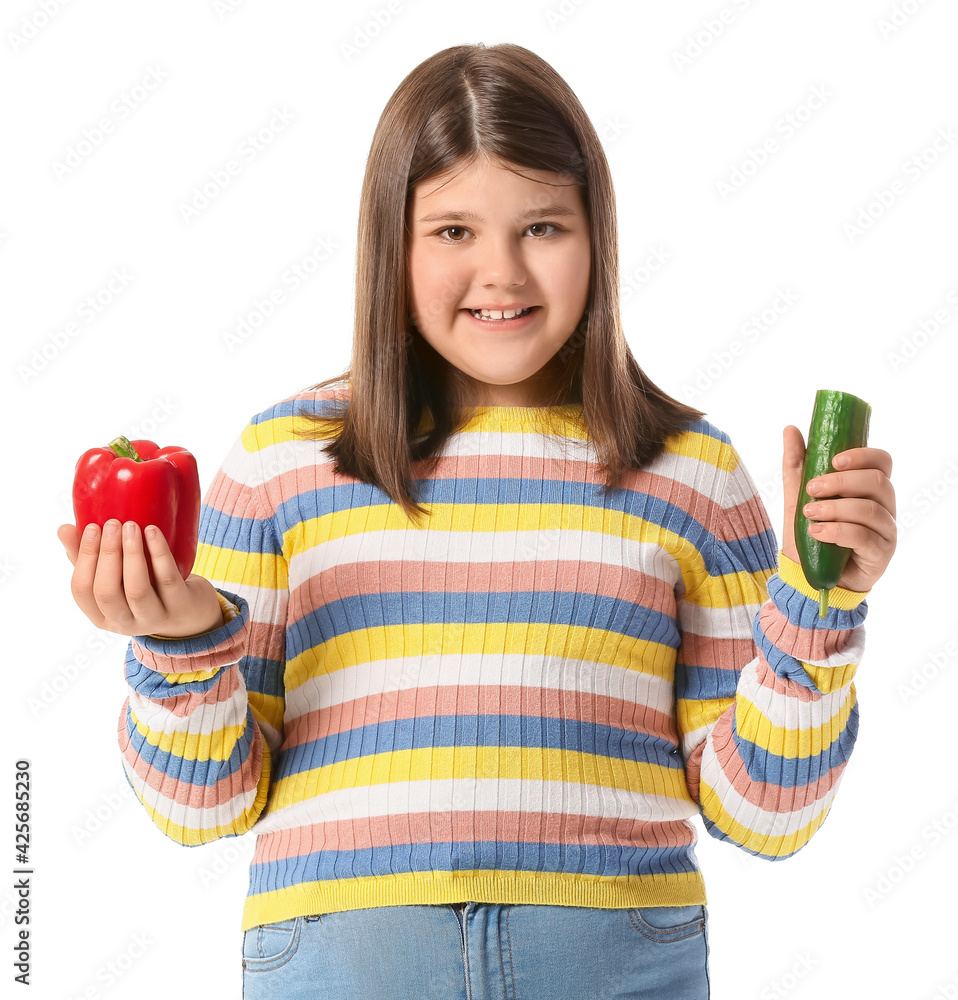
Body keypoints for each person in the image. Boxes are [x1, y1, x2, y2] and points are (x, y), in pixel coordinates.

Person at [58, 42, 897, 1000]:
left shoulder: (693, 473)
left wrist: (817, 609)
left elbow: (766, 817)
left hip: (613, 960)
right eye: (453, 231)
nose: (501, 272)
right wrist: (178, 647)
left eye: (542, 225)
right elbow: (203, 809)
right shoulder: (282, 461)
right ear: (392, 244)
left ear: (599, 238)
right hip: (347, 963)